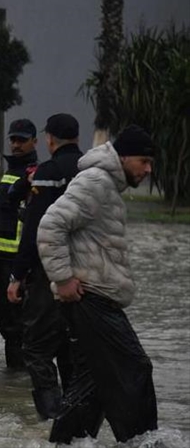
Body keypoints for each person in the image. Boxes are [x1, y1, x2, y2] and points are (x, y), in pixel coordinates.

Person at [37, 124, 157, 443]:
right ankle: (145, 442)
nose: (148, 170)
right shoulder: (96, 181)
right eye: (144, 162)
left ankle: (67, 440)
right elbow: (51, 225)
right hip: (91, 298)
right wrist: (62, 279)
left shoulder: (105, 184)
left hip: (94, 298)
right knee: (134, 369)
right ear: (125, 157)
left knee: (93, 383)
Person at [7, 113, 83, 420]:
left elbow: (36, 228)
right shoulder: (90, 170)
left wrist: (17, 274)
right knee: (70, 348)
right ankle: (76, 414)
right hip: (86, 272)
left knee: (36, 348)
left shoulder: (48, 171)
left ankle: (52, 419)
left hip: (49, 272)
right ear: (77, 138)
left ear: (49, 139)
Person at [0, 118, 39, 370]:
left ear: (35, 141)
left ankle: (21, 377)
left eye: (22, 140)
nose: (16, 144)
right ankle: (14, 379)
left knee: (18, 326)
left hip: (18, 261)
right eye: (13, 139)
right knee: (6, 324)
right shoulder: (10, 173)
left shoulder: (34, 175)